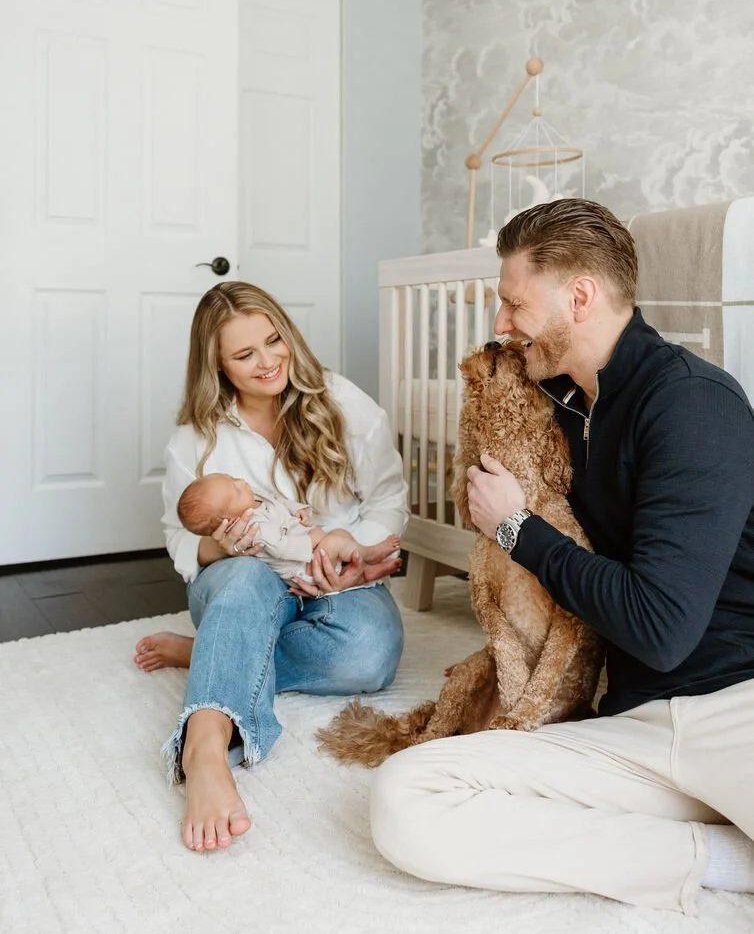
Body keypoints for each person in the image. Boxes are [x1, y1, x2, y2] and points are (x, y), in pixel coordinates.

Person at [370, 199, 754, 915]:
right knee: (405, 795)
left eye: (514, 302)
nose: (500, 324)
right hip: (634, 724)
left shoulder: (694, 404)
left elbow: (662, 627)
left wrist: (519, 528)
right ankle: (713, 858)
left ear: (580, 296)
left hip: (737, 706)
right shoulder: (564, 403)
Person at [134, 281, 407, 854]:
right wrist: (224, 550)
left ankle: (215, 651)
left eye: (273, 340)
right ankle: (205, 746)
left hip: (333, 577)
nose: (267, 362)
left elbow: (388, 501)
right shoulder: (197, 437)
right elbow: (178, 539)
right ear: (217, 367)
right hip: (242, 581)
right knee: (249, 579)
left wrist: (348, 550)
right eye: (244, 354)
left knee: (371, 650)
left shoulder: (343, 402)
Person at [176, 471, 400, 587]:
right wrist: (314, 538)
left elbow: (278, 502)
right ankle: (370, 554)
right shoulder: (255, 529)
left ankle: (366, 571)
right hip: (303, 566)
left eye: (233, 479)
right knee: (335, 541)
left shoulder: (253, 502)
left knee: (341, 536)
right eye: (235, 490)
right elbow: (282, 548)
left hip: (311, 550)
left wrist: (297, 510)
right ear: (229, 521)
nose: (242, 482)